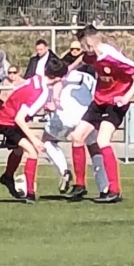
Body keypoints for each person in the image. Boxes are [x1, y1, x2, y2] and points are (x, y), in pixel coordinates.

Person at [68, 25, 134, 204]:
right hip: (99, 101)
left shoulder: (111, 56)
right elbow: (83, 59)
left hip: (115, 103)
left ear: (88, 43)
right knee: (77, 137)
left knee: (102, 140)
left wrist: (126, 97)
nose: (81, 48)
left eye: (82, 44)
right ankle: (79, 186)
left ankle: (114, 190)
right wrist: (68, 69)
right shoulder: (91, 54)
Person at [0, 56, 66, 204]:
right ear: (58, 78)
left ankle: (7, 177)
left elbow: (22, 94)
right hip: (9, 121)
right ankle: (30, 193)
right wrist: (34, 139)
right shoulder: (42, 92)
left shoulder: (36, 78)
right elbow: (19, 118)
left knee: (18, 150)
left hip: (7, 114)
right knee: (32, 152)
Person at [41, 60, 106, 196]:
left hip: (65, 115)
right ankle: (104, 187)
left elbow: (57, 84)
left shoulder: (64, 76)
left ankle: (65, 171)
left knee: (47, 140)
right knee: (93, 147)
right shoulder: (91, 79)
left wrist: (54, 101)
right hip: (87, 115)